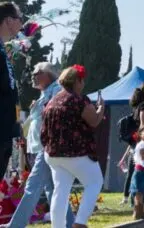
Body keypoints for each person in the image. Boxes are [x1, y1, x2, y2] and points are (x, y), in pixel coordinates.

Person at [2, 62, 75, 228]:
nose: (34, 76)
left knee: (32, 186)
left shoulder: (56, 90)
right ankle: (69, 223)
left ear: (48, 74)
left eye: (37, 72)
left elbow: (55, 114)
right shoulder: (44, 94)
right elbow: (34, 121)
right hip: (38, 147)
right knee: (51, 189)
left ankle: (16, 225)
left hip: (47, 147)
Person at [41, 65, 104, 228]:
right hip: (76, 152)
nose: (83, 84)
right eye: (82, 80)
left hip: (53, 154)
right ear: (77, 81)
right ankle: (80, 223)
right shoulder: (79, 100)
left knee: (60, 191)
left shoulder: (51, 102)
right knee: (95, 182)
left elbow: (44, 130)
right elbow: (94, 121)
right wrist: (101, 108)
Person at [0, 2, 23, 180]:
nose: (21, 24)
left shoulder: (3, 50)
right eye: (19, 18)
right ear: (8, 20)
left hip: (6, 130)